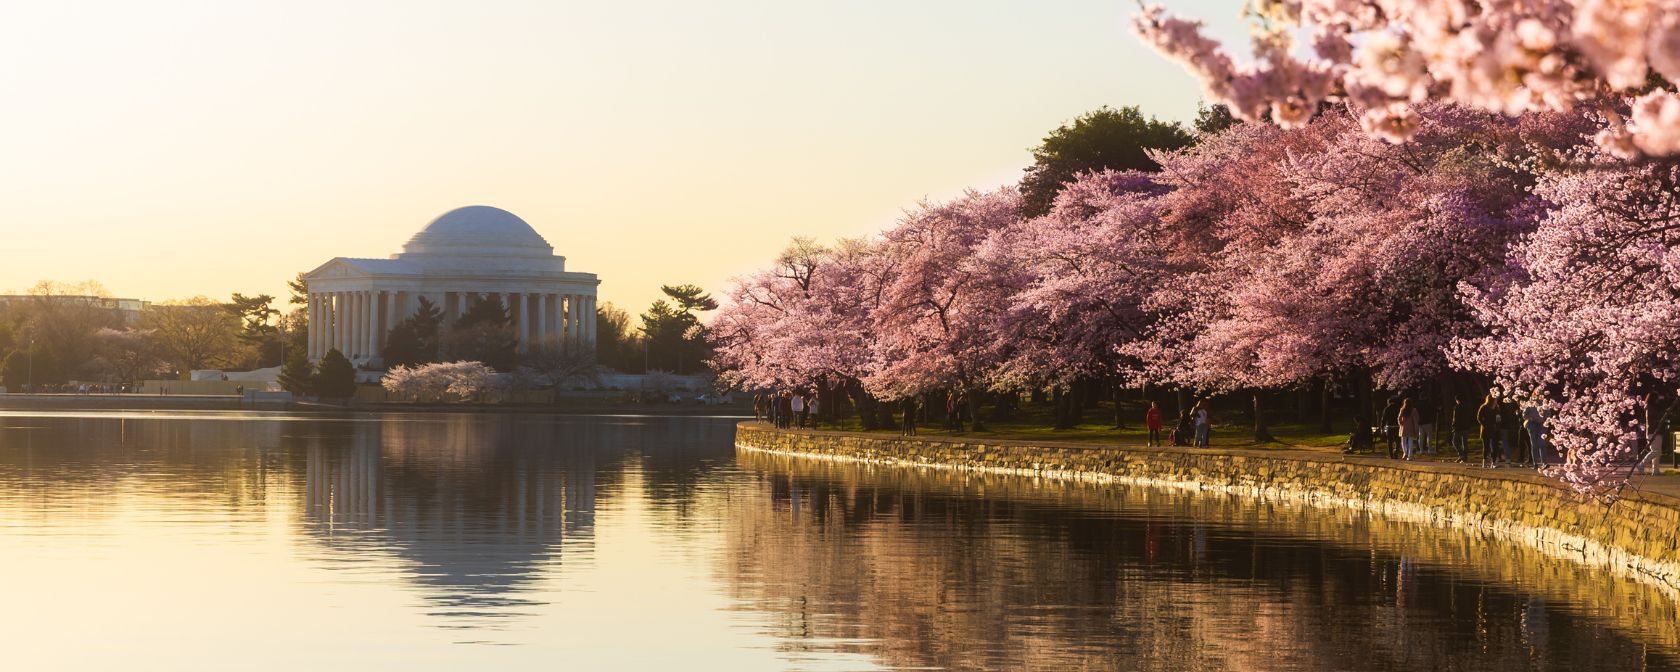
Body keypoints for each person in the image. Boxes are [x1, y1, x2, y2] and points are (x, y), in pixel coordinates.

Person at [1524, 400, 1551, 467]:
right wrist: (1529, 418)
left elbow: (1548, 414)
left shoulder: (1544, 403)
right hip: (1532, 424)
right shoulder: (1530, 403)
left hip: (1542, 425)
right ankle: (1535, 463)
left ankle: (1544, 462)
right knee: (1534, 444)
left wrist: (1546, 421)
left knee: (1542, 443)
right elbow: (1524, 415)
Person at [1477, 393, 1499, 468]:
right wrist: (1485, 424)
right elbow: (1479, 417)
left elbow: (1498, 417)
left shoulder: (1496, 408)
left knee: (1494, 446)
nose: (1496, 401)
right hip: (1486, 429)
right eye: (1495, 399)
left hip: (1494, 429)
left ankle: (1493, 461)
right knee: (1486, 446)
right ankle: (1485, 460)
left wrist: (1497, 423)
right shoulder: (1484, 407)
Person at [1451, 395, 1474, 463]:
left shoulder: (1457, 407)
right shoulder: (1467, 407)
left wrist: (1453, 425)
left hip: (1458, 427)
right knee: (1464, 442)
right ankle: (1464, 457)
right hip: (1466, 426)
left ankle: (1461, 454)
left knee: (1455, 441)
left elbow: (1455, 417)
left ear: (1457, 400)